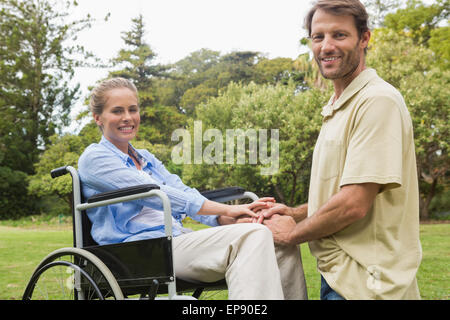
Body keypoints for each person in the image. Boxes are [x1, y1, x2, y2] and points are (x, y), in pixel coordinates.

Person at [78, 77, 307, 300]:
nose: (127, 117)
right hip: (140, 251)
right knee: (254, 235)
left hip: (176, 241)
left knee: (279, 241)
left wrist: (227, 219)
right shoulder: (94, 159)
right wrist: (227, 210)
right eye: (117, 111)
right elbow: (159, 194)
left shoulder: (145, 158)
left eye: (133, 109)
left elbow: (183, 191)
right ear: (98, 117)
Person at [260, 0, 422, 300]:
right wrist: (294, 213)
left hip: (367, 284)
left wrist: (291, 234)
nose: (326, 46)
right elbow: (341, 194)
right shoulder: (338, 107)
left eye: (339, 35)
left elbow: (354, 203)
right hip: (339, 276)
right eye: (318, 36)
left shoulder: (377, 101)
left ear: (364, 38)